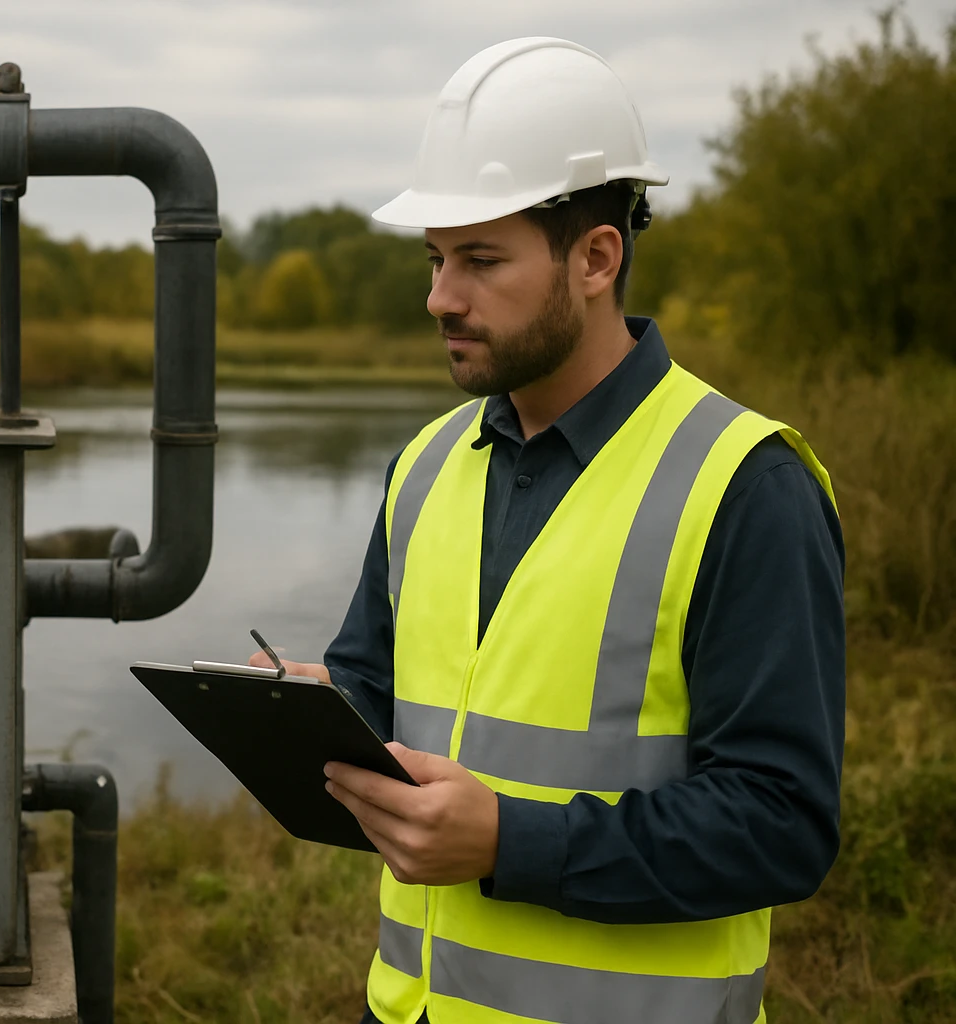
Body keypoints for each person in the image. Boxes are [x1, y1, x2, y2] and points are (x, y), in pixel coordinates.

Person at [248, 37, 844, 1024]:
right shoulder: (427, 465)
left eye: (481, 260)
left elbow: (780, 825)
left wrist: (506, 841)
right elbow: (379, 689)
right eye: (437, 259)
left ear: (597, 259)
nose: (440, 296)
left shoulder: (746, 486)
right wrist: (315, 711)